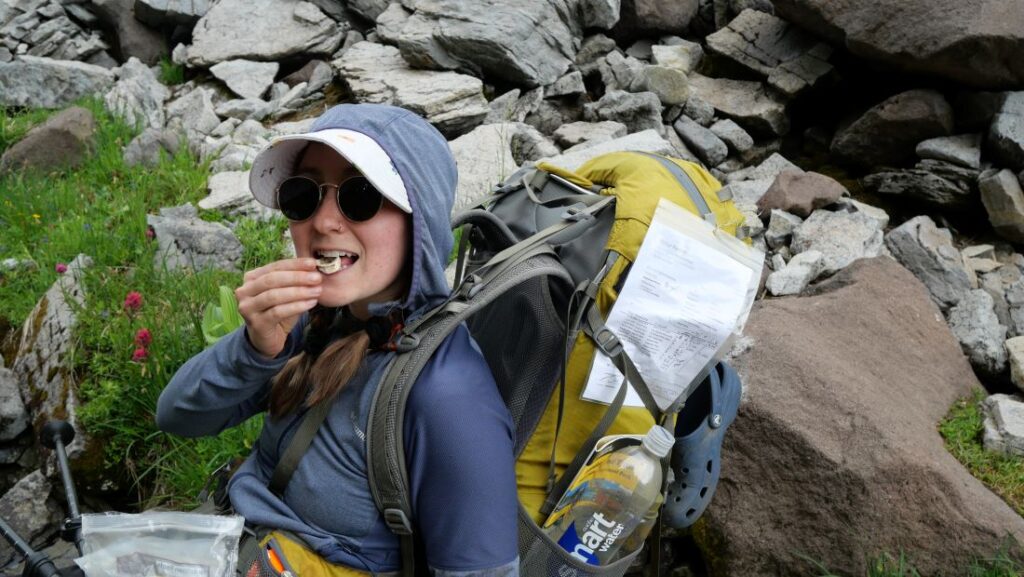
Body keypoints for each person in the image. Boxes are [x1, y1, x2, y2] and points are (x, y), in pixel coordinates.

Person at [157, 103, 519, 576]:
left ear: (421, 223)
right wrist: (254, 350)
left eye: (361, 195)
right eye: (304, 195)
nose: (323, 222)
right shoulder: (317, 323)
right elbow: (177, 417)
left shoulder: (447, 396)